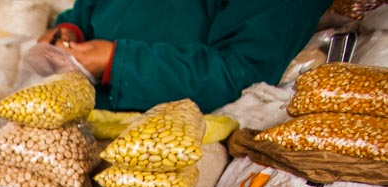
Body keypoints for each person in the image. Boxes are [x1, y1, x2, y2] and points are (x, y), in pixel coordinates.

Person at [38, 0, 333, 113]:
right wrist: (70, 28)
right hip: (84, 106)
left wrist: (119, 61)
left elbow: (241, 74)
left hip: (172, 140)